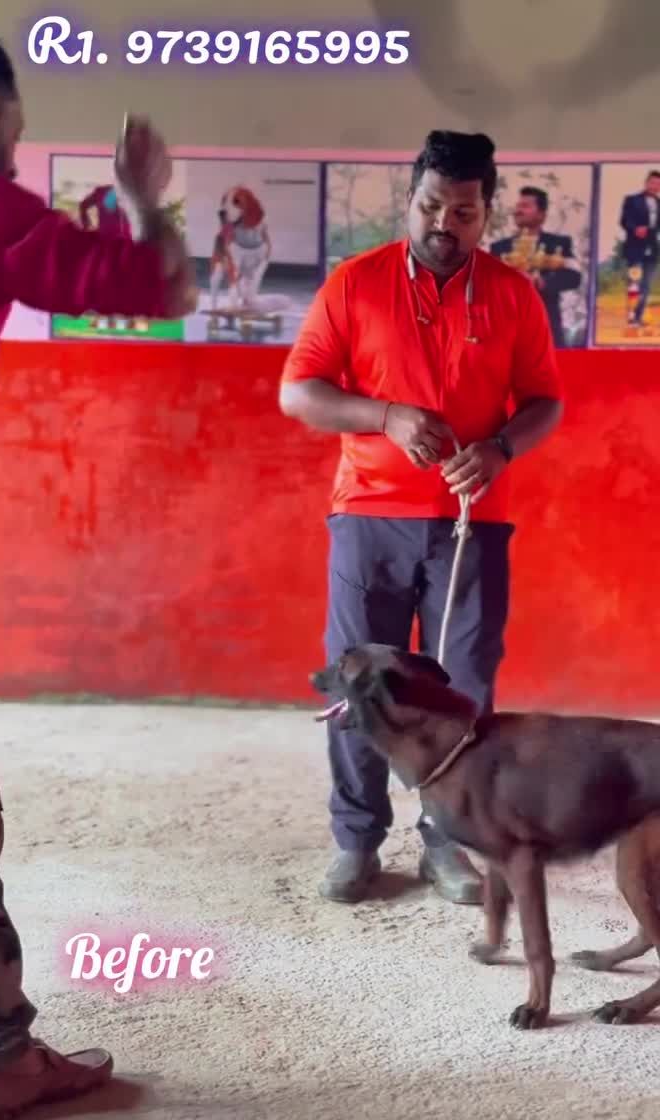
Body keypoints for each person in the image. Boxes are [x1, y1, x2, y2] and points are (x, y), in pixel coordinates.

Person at [0, 22, 197, 1119]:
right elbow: (163, 289)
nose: (15, 138)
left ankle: (3, 1050)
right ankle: (4, 1058)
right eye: (15, 120)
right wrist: (143, 199)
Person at [279, 131, 563, 907]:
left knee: (464, 691)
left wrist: (501, 449)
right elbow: (300, 392)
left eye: (463, 212)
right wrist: (385, 416)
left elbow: (545, 401)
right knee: (361, 685)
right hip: (369, 517)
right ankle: (356, 840)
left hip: (474, 522)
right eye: (432, 205)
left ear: (485, 212)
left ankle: (447, 840)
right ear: (411, 200)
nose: (445, 223)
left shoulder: (511, 294)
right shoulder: (355, 283)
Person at [490, 186, 583, 347]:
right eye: (518, 206)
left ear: (541, 214)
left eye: (525, 206)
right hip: (507, 325)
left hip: (546, 323)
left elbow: (574, 277)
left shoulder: (558, 244)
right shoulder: (499, 248)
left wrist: (542, 282)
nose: (518, 211)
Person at [619, 170, 660, 327]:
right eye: (652, 182)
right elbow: (624, 220)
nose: (655, 186)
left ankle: (638, 317)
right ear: (646, 182)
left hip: (652, 250)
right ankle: (631, 318)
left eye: (658, 184)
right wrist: (635, 229)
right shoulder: (632, 200)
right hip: (635, 248)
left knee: (646, 285)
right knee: (634, 283)